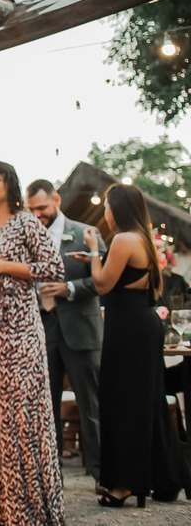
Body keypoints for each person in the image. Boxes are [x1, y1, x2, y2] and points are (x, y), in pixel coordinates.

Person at [0, 161, 65, 526]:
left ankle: (28, 510)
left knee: (20, 418)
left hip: (20, 330)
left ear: (10, 185)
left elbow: (54, 268)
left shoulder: (25, 223)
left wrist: (1, 265)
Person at [90, 183, 191, 507]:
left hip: (128, 329)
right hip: (142, 323)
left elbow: (102, 283)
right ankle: (167, 478)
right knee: (149, 403)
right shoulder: (143, 239)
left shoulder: (122, 239)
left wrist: (93, 251)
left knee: (123, 404)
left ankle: (125, 484)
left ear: (116, 208)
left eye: (107, 205)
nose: (104, 212)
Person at [25, 179, 106, 483]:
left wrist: (69, 287)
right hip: (42, 329)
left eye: (42, 208)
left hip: (80, 329)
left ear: (57, 200)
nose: (37, 215)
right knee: (45, 404)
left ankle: (102, 472)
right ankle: (49, 472)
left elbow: (106, 280)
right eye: (31, 210)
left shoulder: (87, 234)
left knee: (91, 404)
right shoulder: (26, 239)